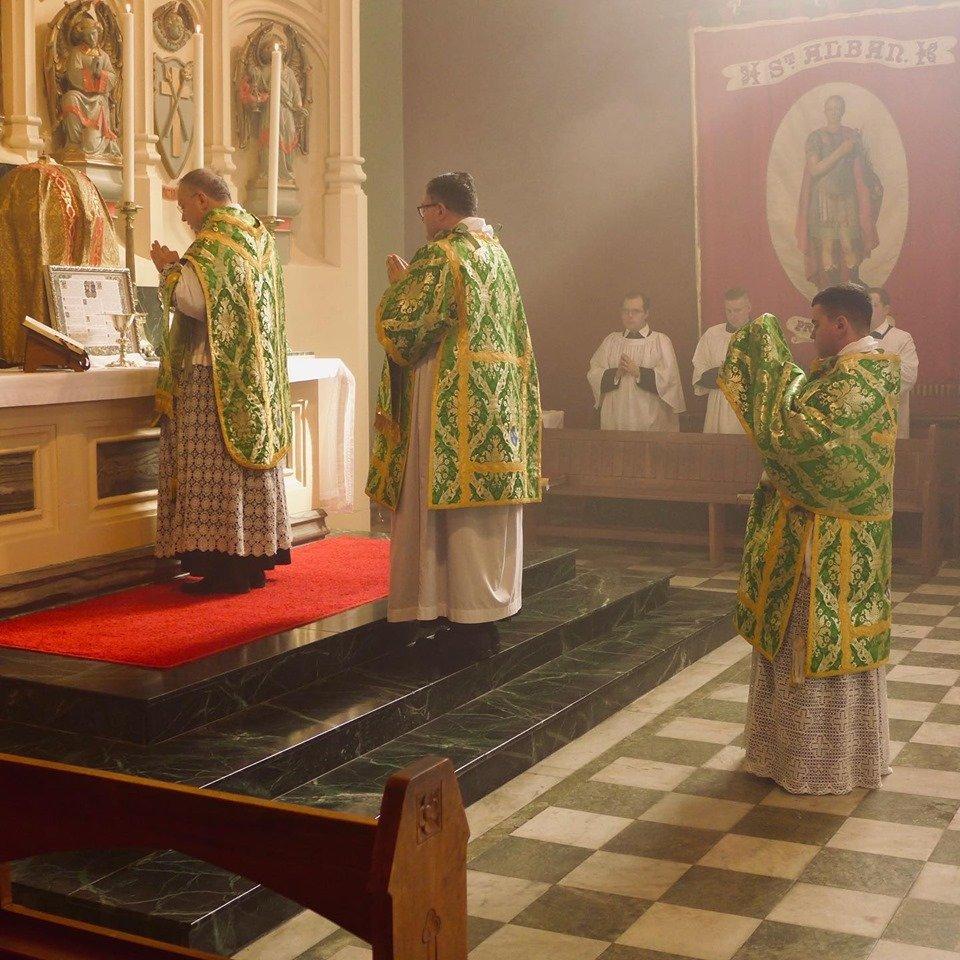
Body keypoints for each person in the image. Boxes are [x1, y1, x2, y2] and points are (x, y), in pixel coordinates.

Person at [718, 283, 899, 794]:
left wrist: (764, 352)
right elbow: (802, 412)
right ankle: (780, 754)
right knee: (795, 640)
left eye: (817, 322)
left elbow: (799, 436)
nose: (813, 331)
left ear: (842, 325)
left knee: (817, 644)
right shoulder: (846, 374)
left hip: (830, 547)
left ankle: (820, 763)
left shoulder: (862, 379)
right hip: (812, 536)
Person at [366, 172, 541, 654]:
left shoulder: (442, 255)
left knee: (443, 512)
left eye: (425, 209)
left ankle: (454, 617)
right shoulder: (497, 255)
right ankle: (482, 615)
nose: (423, 219)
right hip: (495, 402)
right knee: (482, 519)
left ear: (441, 211)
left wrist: (401, 287)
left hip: (449, 403)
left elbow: (408, 328)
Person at [151, 168, 292, 595]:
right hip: (255, 375)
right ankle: (251, 561)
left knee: (214, 471)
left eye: (183, 208)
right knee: (244, 471)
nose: (185, 219)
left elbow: (196, 303)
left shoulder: (214, 242)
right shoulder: (258, 235)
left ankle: (223, 568)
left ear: (201, 200)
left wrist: (170, 269)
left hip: (212, 373)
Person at [796, 94, 883, 289]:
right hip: (823, 197)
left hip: (847, 197)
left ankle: (853, 284)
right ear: (825, 111)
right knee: (827, 244)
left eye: (837, 108)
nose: (834, 112)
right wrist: (842, 150)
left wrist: (872, 182)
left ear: (842, 111)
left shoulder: (851, 135)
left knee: (848, 243)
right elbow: (815, 169)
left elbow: (862, 165)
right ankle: (834, 288)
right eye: (830, 108)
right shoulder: (816, 137)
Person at [587, 293, 685, 431]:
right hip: (616, 417)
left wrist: (639, 373)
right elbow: (594, 374)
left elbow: (670, 381)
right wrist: (616, 373)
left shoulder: (660, 341)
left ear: (646, 313)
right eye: (625, 311)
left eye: (636, 311)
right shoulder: (611, 341)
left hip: (650, 418)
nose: (630, 316)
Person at [691, 287, 751, 434]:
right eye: (728, 311)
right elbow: (699, 376)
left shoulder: (760, 335)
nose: (733, 316)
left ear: (749, 307)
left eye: (737, 310)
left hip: (749, 407)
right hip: (718, 406)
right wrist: (728, 373)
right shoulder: (712, 335)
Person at [870, 287, 918, 438]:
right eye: (865, 306)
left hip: (891, 422)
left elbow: (908, 377)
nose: (868, 310)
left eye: (874, 305)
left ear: (886, 309)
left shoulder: (902, 338)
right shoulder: (852, 339)